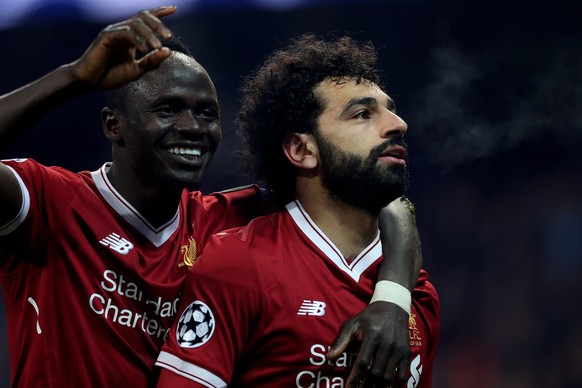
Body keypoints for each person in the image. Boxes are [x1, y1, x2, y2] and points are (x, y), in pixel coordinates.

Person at [0, 7, 421, 388]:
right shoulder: (52, 201)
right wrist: (73, 76)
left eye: (206, 114)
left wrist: (393, 300)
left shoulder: (224, 221)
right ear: (115, 126)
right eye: (168, 109)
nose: (192, 127)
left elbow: (381, 200)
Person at [156, 34, 440, 387]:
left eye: (390, 109)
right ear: (302, 150)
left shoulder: (417, 293)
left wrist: (395, 298)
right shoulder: (238, 264)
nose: (398, 124)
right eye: (363, 114)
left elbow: (399, 211)